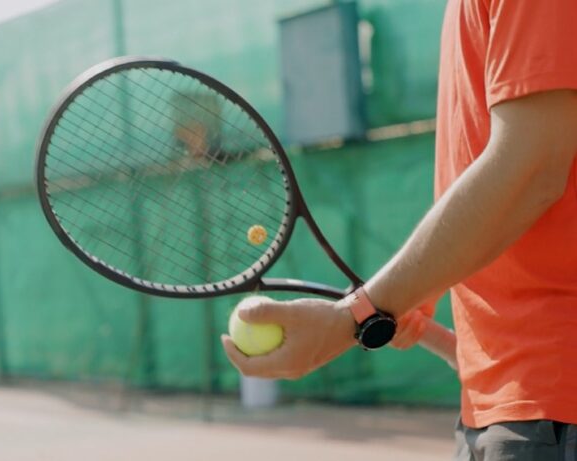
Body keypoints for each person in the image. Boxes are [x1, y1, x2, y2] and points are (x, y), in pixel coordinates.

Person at [222, 1, 577, 459]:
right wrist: (464, 345)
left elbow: (532, 167)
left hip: (549, 403)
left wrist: (358, 315)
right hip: (509, 400)